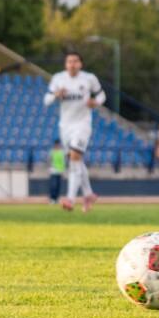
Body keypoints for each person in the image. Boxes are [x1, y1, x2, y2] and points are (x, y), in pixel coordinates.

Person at [43, 51, 105, 212]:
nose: (72, 64)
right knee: (76, 160)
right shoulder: (58, 78)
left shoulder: (89, 78)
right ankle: (88, 194)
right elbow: (46, 100)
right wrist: (56, 95)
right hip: (65, 126)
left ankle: (70, 199)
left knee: (74, 158)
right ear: (65, 64)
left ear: (80, 64)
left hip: (83, 124)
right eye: (69, 61)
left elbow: (102, 95)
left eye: (75, 61)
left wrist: (96, 102)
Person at [47, 139, 65, 204]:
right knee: (53, 185)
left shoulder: (61, 152)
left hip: (59, 171)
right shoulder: (52, 152)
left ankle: (56, 199)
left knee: (58, 186)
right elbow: (49, 160)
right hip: (53, 171)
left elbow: (63, 162)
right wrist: (49, 168)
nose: (57, 146)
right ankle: (52, 198)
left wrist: (63, 170)